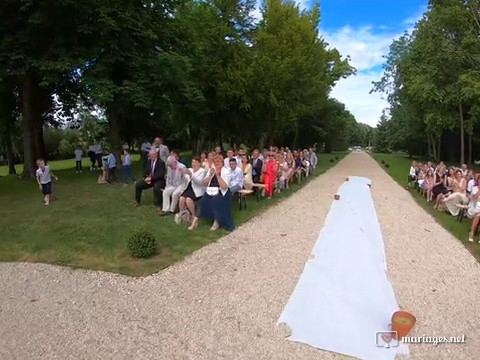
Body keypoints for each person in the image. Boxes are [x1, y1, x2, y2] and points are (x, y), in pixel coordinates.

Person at [194, 155, 234, 232]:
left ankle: (217, 221)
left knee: (215, 201)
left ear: (222, 163)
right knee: (203, 201)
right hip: (211, 191)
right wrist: (210, 175)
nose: (217, 163)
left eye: (219, 161)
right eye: (215, 162)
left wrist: (218, 176)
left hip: (222, 192)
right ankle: (196, 221)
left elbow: (224, 187)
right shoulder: (211, 170)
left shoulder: (226, 171)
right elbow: (204, 182)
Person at [176, 156, 207, 228]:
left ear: (199, 163)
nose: (194, 164)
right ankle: (183, 216)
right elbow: (184, 181)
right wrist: (181, 175)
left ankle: (193, 217)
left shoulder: (202, 171)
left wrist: (191, 175)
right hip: (189, 188)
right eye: (193, 162)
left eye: (196, 162)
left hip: (197, 190)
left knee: (188, 200)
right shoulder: (190, 169)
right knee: (181, 199)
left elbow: (199, 183)